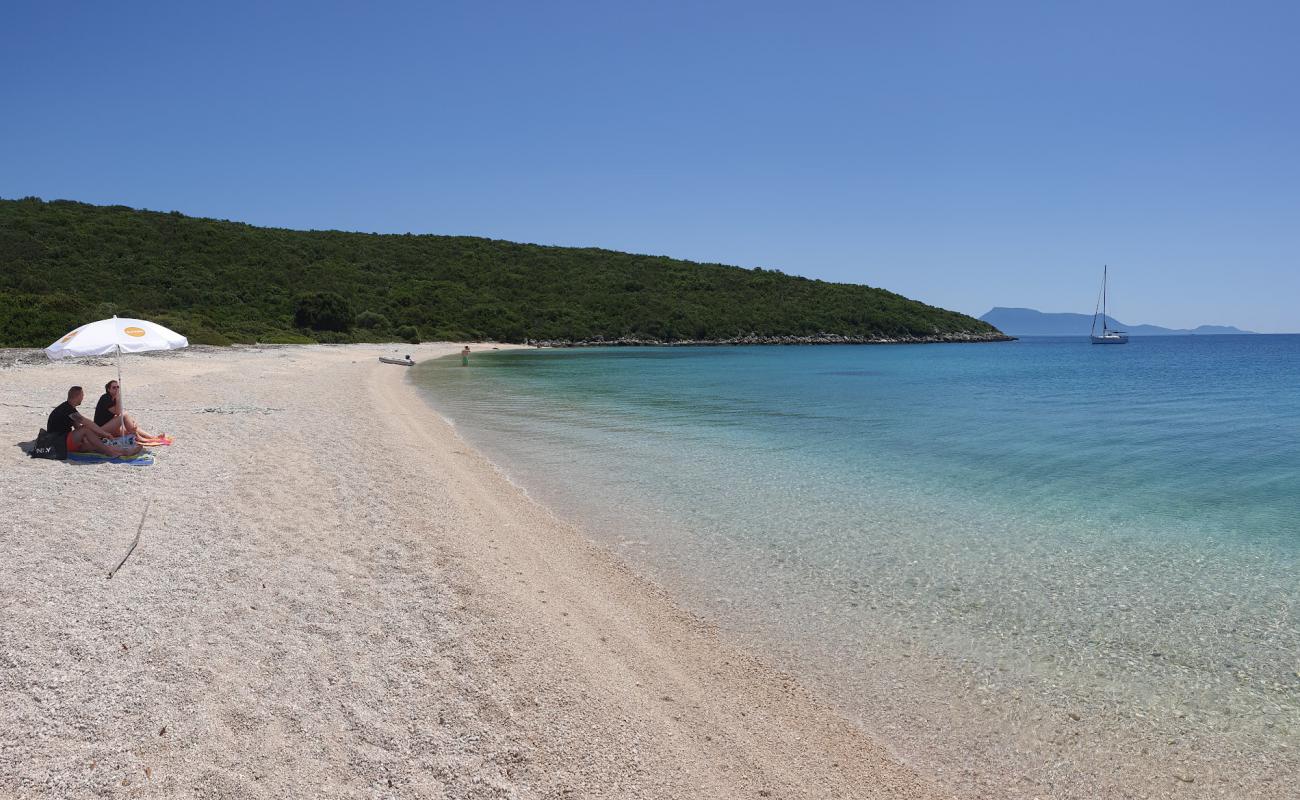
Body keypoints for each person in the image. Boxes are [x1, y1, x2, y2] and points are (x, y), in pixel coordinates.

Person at [47, 386, 141, 457]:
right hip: (59, 441)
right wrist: (104, 433)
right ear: (78, 396)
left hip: (60, 442)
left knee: (93, 445)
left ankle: (125, 451)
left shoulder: (68, 408)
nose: (83, 397)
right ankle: (111, 452)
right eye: (82, 395)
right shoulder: (67, 409)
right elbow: (86, 423)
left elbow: (77, 426)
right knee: (86, 429)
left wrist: (87, 439)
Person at [94, 380, 170, 446]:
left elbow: (117, 414)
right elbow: (118, 412)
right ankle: (138, 437)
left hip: (107, 426)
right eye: (114, 387)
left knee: (131, 428)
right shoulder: (105, 398)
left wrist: (132, 421)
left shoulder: (113, 398)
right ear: (108, 389)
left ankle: (152, 437)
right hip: (100, 429)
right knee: (125, 415)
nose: (116, 389)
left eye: (118, 387)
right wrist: (118, 398)